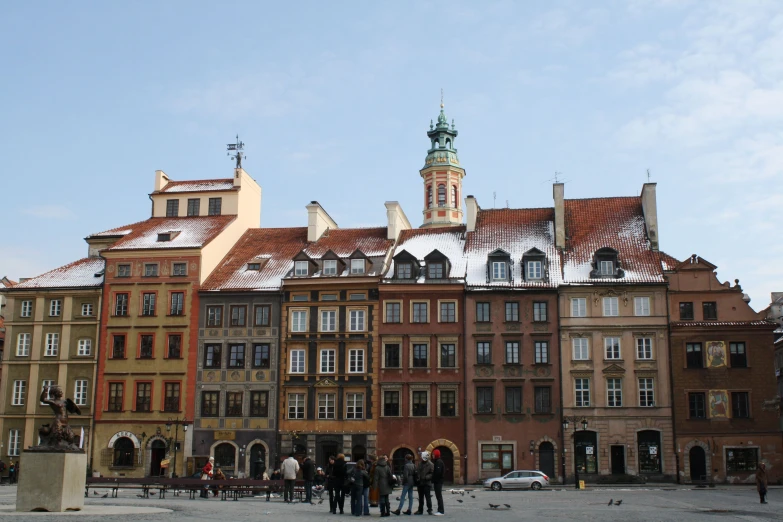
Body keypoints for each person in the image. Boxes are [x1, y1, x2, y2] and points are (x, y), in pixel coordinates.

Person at [414, 451, 434, 516]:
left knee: (428, 497)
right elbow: (418, 471)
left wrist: (426, 477)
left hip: (427, 483)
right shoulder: (420, 464)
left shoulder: (431, 464)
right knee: (420, 498)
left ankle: (430, 509)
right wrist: (417, 477)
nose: (421, 458)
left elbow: (432, 474)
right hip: (420, 483)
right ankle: (420, 510)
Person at [431, 450, 445, 516]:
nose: (432, 455)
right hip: (438, 481)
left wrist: (433, 479)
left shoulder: (439, 462)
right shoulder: (437, 461)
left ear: (436, 455)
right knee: (438, 496)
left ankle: (441, 511)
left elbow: (438, 473)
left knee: (439, 496)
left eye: (433, 454)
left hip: (438, 481)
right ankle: (440, 510)